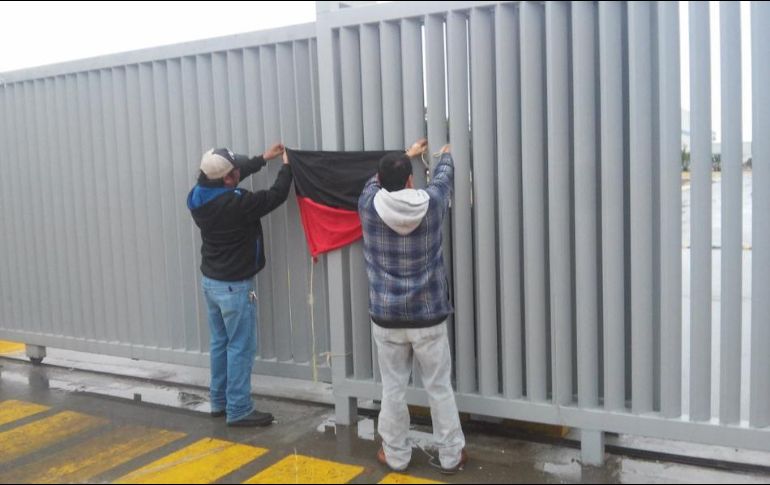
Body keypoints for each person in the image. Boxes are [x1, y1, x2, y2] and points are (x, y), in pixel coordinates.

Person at [358, 139, 467, 474]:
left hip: (386, 317)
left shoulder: (367, 205)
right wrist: (445, 156)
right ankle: (451, 455)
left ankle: (396, 455)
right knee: (439, 387)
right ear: (409, 181)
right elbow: (442, 180)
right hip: (428, 316)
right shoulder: (432, 204)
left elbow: (371, 183)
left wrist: (403, 155)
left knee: (393, 389)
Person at [187, 143, 291, 427]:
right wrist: (287, 167)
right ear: (227, 179)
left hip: (211, 282)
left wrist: (261, 160)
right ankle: (239, 409)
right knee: (240, 348)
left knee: (220, 344)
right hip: (234, 287)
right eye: (235, 171)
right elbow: (275, 196)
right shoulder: (237, 202)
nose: (239, 171)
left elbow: (231, 178)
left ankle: (219, 402)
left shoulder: (197, 195)